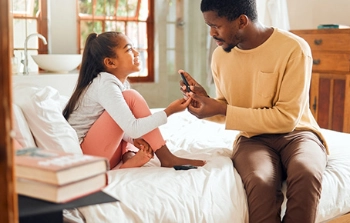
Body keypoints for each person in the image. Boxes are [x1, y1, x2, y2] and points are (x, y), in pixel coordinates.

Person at [179, 0, 328, 222]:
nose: (212, 33)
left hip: (298, 133)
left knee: (306, 171)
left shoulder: (294, 48)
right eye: (208, 25)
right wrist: (207, 103)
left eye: (216, 26)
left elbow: (286, 119)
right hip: (252, 138)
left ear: (241, 21)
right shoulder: (221, 56)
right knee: (260, 179)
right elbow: (229, 108)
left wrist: (221, 108)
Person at [63, 31, 205, 170]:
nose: (137, 53)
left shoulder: (120, 84)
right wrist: (169, 111)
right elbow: (133, 128)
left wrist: (133, 140)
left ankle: (128, 158)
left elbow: (120, 125)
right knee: (131, 98)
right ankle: (166, 157)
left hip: (105, 154)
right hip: (89, 158)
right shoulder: (105, 84)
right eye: (129, 50)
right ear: (110, 62)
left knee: (130, 117)